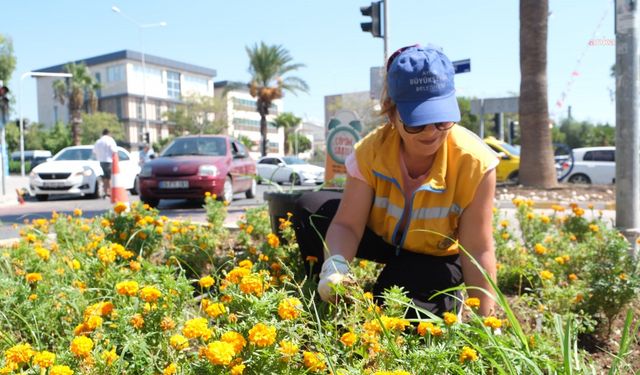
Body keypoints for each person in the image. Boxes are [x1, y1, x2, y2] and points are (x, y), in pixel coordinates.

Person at [292, 44, 498, 317]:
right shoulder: (371, 152)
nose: (431, 132)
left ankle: (447, 300)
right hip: (385, 240)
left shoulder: (475, 163)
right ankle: (326, 291)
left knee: (392, 310)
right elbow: (347, 225)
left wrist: (486, 320)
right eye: (417, 122)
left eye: (442, 120)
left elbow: (477, 247)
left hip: (434, 256)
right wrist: (336, 267)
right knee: (310, 210)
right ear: (392, 114)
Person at [92, 128, 118, 197]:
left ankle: (105, 191)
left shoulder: (98, 141)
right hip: (108, 161)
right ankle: (109, 192)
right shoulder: (110, 140)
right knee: (109, 177)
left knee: (104, 177)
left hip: (100, 161)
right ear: (108, 133)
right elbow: (114, 150)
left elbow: (94, 151)